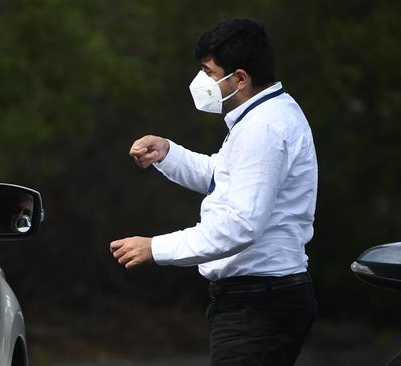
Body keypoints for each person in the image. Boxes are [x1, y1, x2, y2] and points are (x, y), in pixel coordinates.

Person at [109, 18, 318, 366]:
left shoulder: (263, 128)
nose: (202, 81)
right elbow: (224, 177)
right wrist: (168, 153)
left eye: (209, 72)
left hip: (260, 305)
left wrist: (155, 247)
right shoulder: (261, 116)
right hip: (258, 299)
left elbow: (241, 225)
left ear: (240, 78)